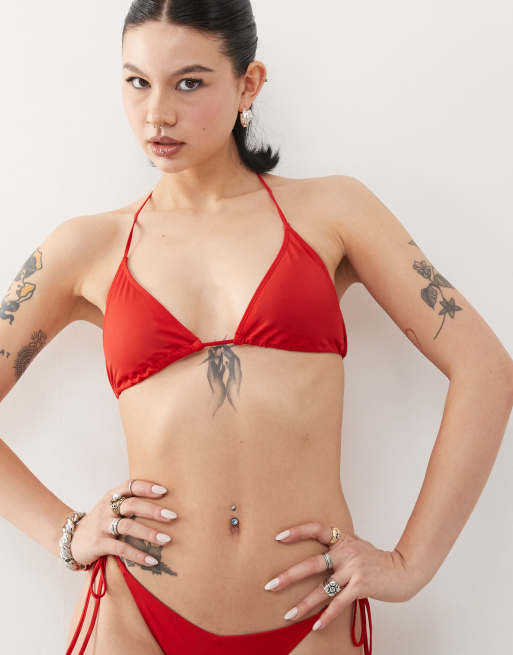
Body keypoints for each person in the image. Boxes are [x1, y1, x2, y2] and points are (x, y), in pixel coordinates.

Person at [2, 1, 512, 654]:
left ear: (249, 84)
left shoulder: (333, 211)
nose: (157, 113)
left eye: (188, 82)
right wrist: (66, 532)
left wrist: (411, 564)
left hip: (312, 617)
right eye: (137, 82)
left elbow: (485, 369)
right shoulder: (86, 247)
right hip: (137, 615)